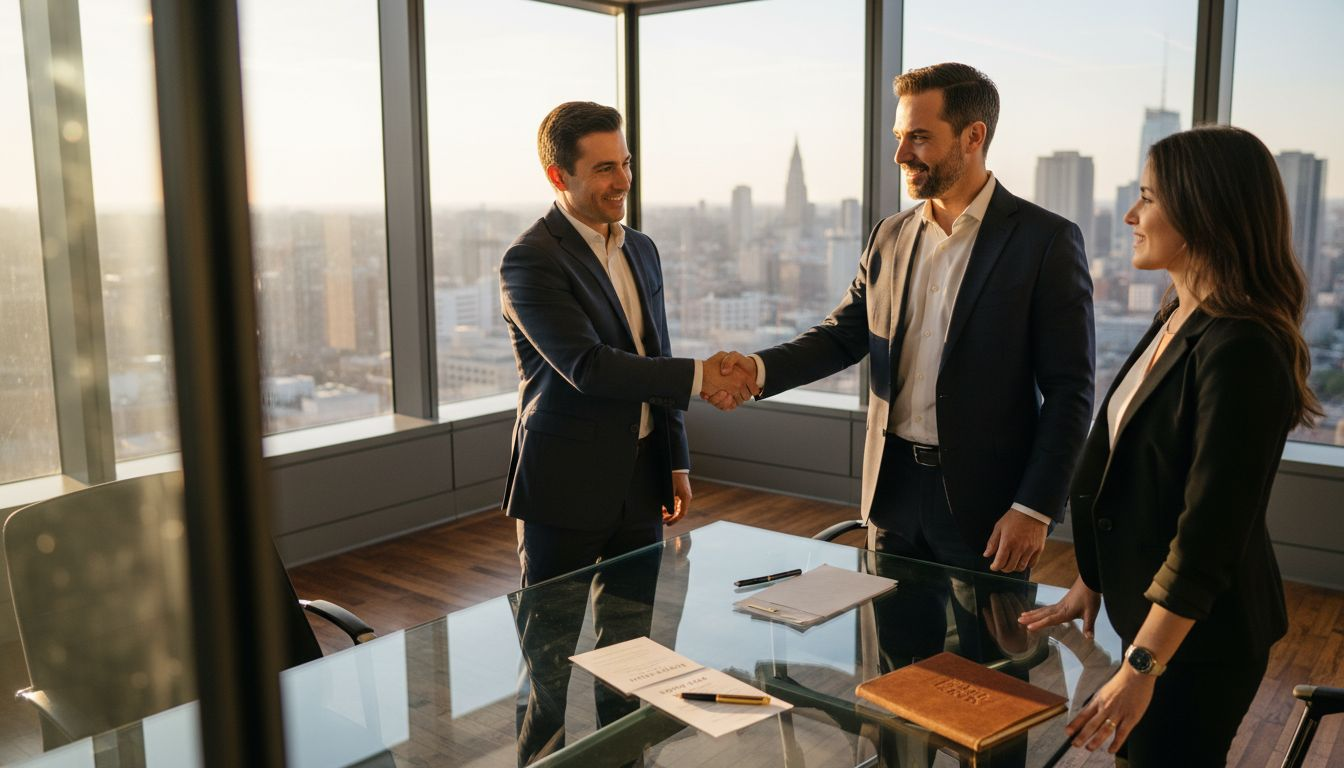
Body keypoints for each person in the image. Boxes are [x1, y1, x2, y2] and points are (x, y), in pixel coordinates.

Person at [715, 63, 1095, 576]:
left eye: (919, 137)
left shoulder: (1045, 241)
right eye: (899, 136)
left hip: (989, 504)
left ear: (973, 136)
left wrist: (1034, 509)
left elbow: (1070, 391)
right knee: (894, 656)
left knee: (982, 656)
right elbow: (843, 336)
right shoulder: (889, 236)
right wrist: (756, 371)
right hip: (891, 492)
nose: (900, 155)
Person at [1019, 125, 1321, 766]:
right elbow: (1135, 469)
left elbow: (1209, 532)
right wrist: (1090, 580)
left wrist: (1143, 666)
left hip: (1197, 641)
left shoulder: (1243, 347)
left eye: (1148, 199)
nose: (1130, 215)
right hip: (1152, 619)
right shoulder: (1178, 312)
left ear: (1204, 210)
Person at [500, 101, 754, 765]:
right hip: (562, 489)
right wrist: (704, 376)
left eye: (627, 162)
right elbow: (589, 368)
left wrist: (675, 459)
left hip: (641, 479)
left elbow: (650, 348)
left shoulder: (640, 247)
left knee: (635, 657)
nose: (623, 180)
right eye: (604, 168)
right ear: (559, 176)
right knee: (548, 668)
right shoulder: (529, 262)